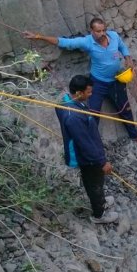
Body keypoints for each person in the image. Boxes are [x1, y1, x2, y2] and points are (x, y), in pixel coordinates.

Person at [23, 18, 137, 145]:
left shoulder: (113, 36)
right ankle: (91, 142)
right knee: (93, 114)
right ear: (91, 30)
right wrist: (38, 36)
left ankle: (135, 136)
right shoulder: (87, 42)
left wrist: (128, 58)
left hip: (116, 81)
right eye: (98, 31)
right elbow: (64, 42)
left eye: (103, 30)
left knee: (125, 109)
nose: (102, 34)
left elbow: (123, 47)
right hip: (98, 83)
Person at [56, 75, 119, 224]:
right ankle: (99, 214)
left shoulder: (68, 101)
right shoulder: (74, 117)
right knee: (94, 183)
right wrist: (102, 162)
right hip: (86, 157)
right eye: (88, 92)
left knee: (96, 181)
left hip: (88, 148)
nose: (91, 95)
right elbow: (84, 144)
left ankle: (101, 200)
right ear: (78, 93)